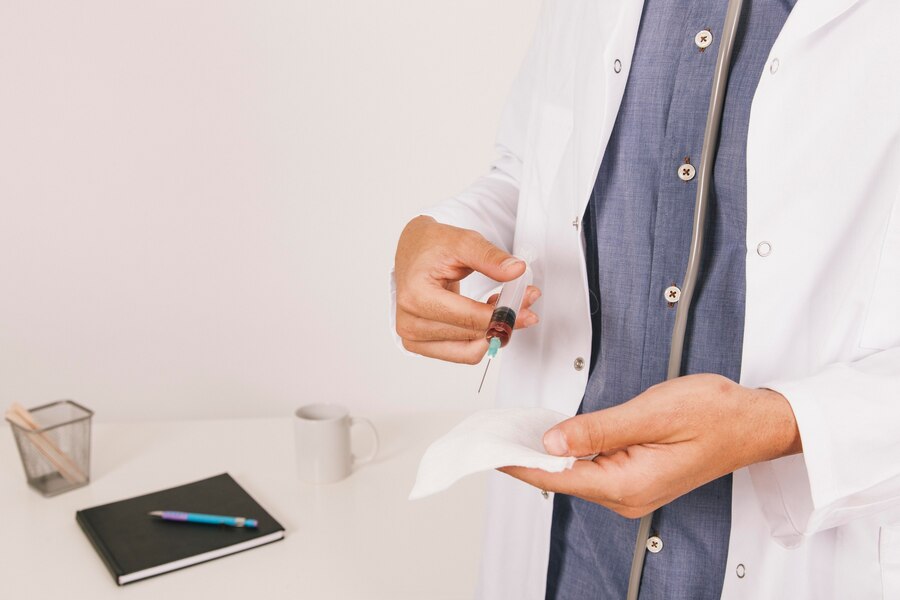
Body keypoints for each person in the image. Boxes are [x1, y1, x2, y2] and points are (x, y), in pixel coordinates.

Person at [392, 1, 900, 598]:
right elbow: (532, 167)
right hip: (572, 555)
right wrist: (448, 231)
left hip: (802, 561)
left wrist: (781, 425)